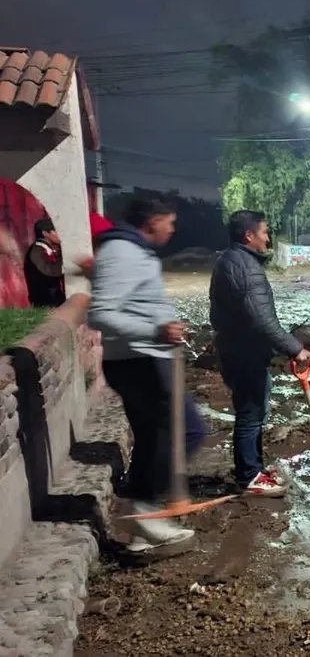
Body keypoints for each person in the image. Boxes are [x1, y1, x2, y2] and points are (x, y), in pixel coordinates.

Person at [87, 198, 208, 553]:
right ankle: (144, 509)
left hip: (139, 358)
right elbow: (100, 314)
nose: (172, 229)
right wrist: (156, 330)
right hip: (140, 360)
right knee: (188, 431)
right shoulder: (123, 252)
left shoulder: (129, 251)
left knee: (152, 437)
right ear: (152, 220)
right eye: (169, 222)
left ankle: (140, 532)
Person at [209, 210, 310, 497]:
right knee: (251, 414)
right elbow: (262, 319)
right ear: (249, 235)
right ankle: (249, 477)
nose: (268, 237)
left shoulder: (228, 260)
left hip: (234, 348)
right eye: (265, 232)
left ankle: (253, 469)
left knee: (254, 410)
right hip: (245, 352)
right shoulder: (247, 268)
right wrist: (295, 348)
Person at [24, 217, 66, 308]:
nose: (60, 235)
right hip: (45, 305)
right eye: (56, 231)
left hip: (54, 302)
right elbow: (49, 271)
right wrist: (65, 263)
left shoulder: (47, 249)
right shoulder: (36, 251)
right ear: (45, 233)